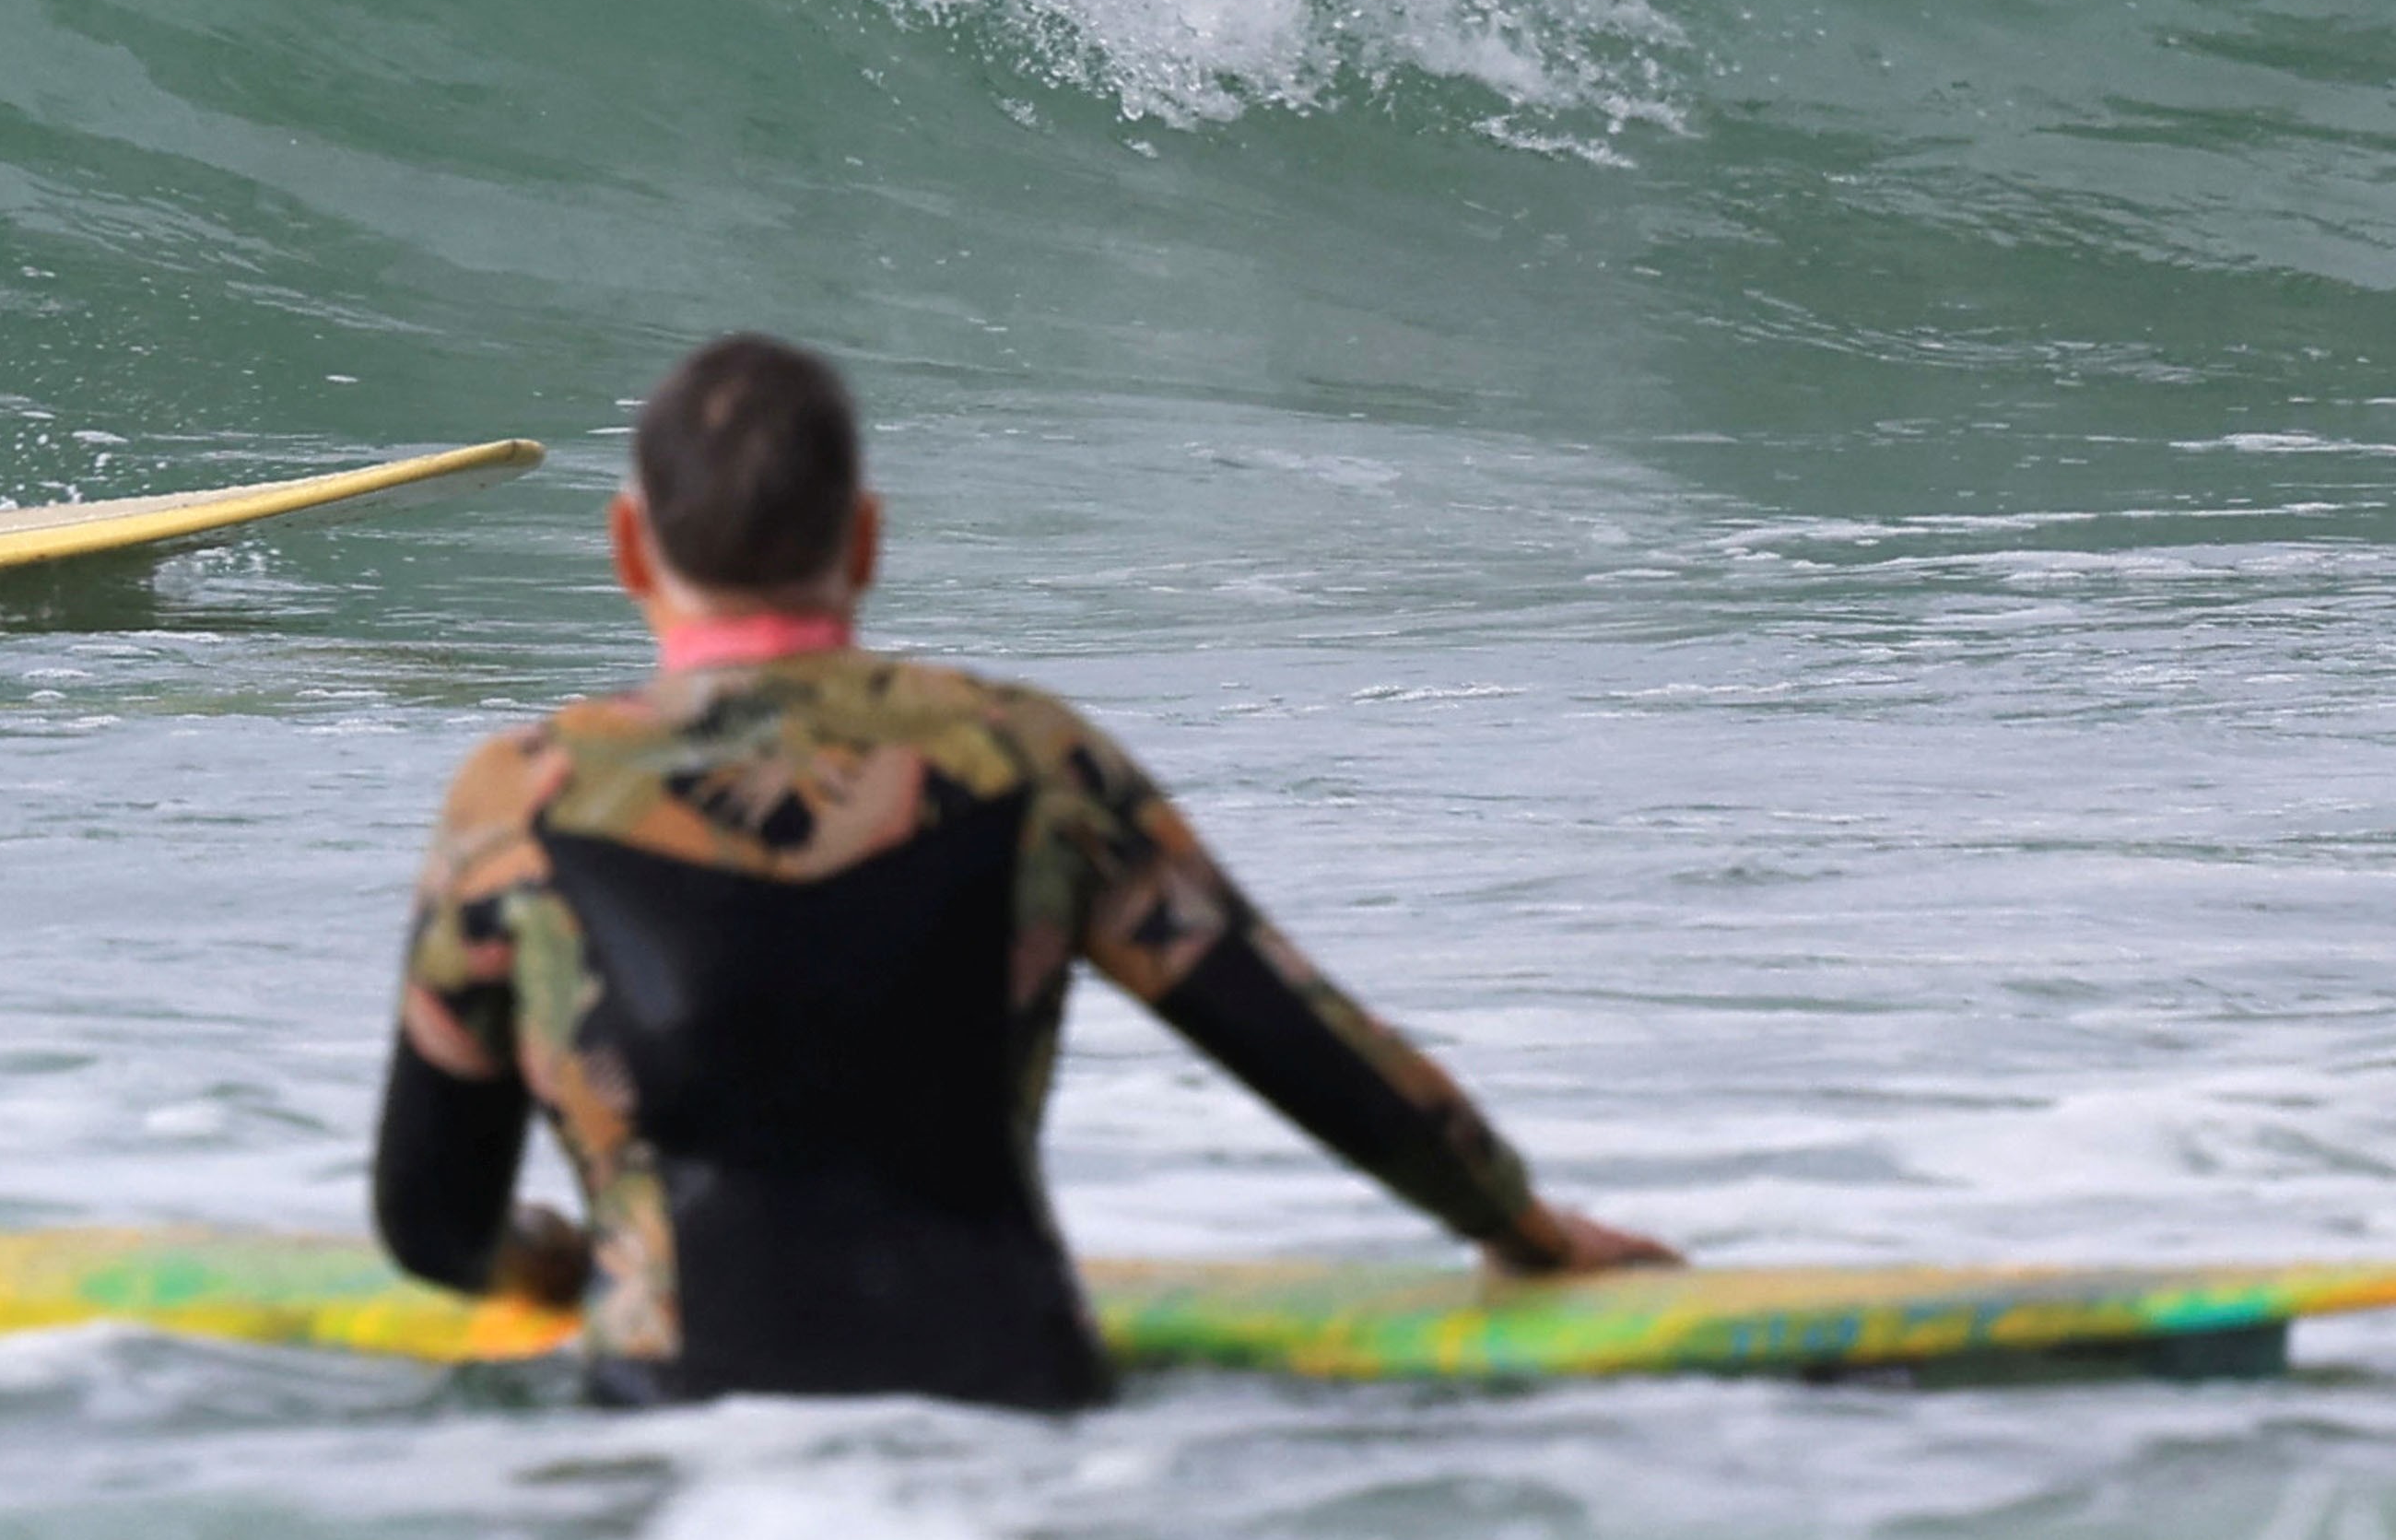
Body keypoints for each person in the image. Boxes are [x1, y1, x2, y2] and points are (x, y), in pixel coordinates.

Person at [375, 334, 1670, 1409]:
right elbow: (1297, 1037)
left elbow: (431, 1221)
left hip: (681, 1424)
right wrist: (1519, 1228)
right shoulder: (1027, 761)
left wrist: (559, 1266)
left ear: (626, 547)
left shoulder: (522, 799)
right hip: (1005, 1396)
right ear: (868, 539)